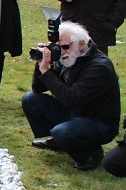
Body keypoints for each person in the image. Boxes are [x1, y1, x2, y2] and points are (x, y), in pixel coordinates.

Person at [23, 21, 120, 171]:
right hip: (74, 113)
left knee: (62, 131)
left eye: (65, 47)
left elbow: (71, 99)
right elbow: (38, 88)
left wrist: (47, 72)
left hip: (98, 122)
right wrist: (41, 63)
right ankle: (56, 141)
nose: (61, 51)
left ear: (81, 44)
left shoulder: (100, 66)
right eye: (58, 46)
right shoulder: (69, 56)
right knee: (30, 99)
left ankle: (90, 154)